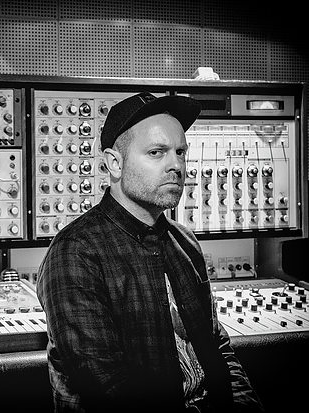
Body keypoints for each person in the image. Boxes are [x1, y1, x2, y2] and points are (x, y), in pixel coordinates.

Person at [36, 92, 264, 413]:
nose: (175, 165)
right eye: (157, 152)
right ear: (114, 164)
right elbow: (107, 385)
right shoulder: (74, 252)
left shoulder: (185, 242)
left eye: (180, 152)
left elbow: (217, 348)